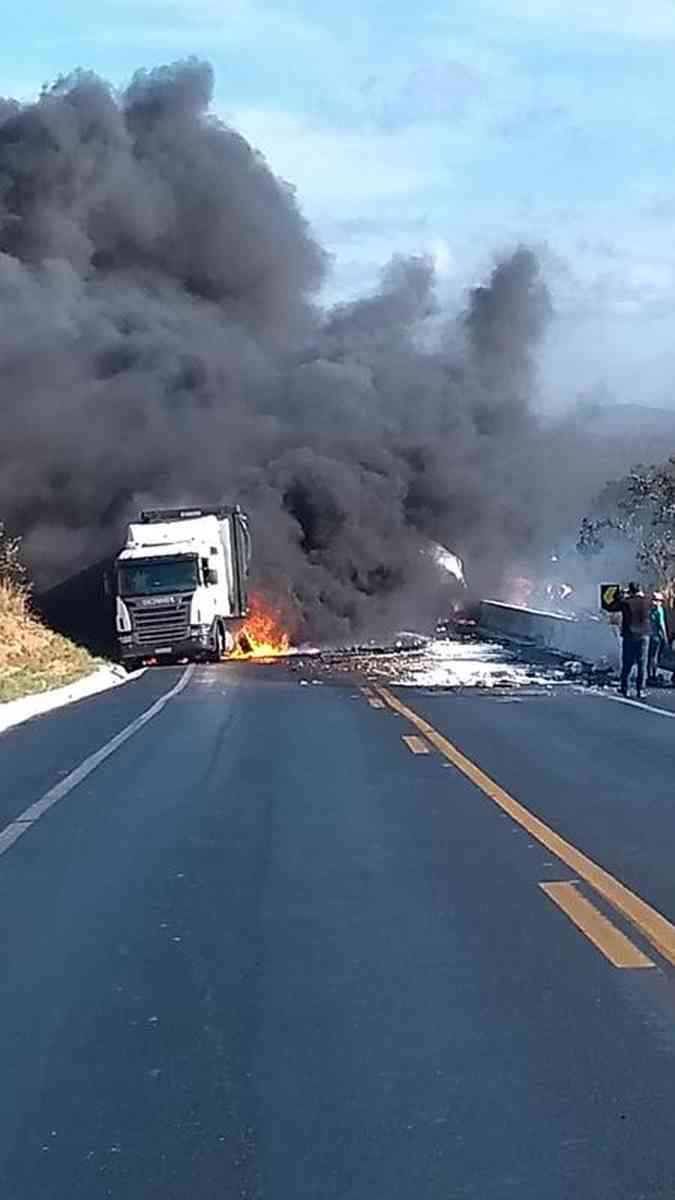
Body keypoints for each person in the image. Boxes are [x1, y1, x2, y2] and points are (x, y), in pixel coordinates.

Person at [619, 582, 651, 699]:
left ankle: (625, 688)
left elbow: (612, 607)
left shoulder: (626, 603)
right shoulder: (647, 601)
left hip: (630, 635)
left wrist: (622, 596)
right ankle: (640, 689)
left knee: (627, 662)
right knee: (642, 663)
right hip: (644, 635)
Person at [648, 591, 668, 684]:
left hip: (648, 635)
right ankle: (653, 674)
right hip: (656, 635)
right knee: (655, 656)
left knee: (649, 656)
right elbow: (661, 624)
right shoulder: (659, 610)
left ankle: (649, 675)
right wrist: (665, 636)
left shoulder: (649, 609)